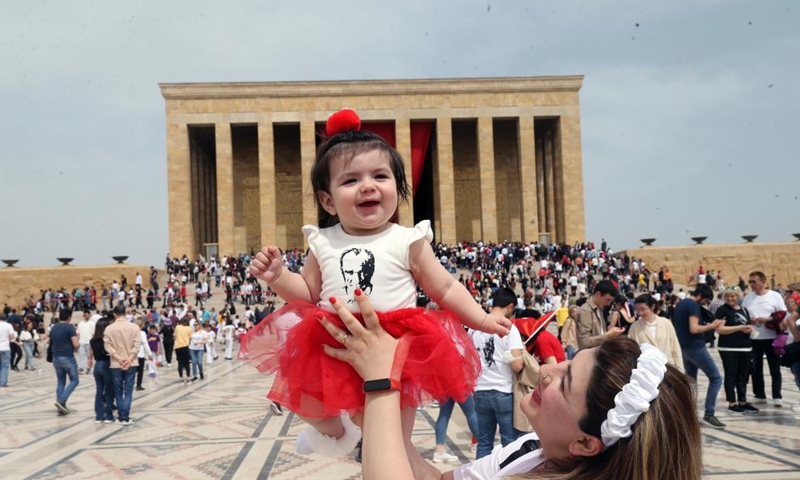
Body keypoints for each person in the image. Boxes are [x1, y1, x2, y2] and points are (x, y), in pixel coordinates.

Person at [240, 108, 507, 456]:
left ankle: (396, 464)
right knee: (307, 404)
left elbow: (445, 288)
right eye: (350, 181)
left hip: (395, 344)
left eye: (380, 176)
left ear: (398, 188)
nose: (367, 185)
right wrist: (277, 277)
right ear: (328, 201)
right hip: (334, 340)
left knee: (392, 437)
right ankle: (337, 434)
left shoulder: (407, 239)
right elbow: (307, 292)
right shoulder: (323, 241)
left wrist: (483, 319)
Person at [319, 292, 703, 480]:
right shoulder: (533, 449)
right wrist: (378, 419)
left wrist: (381, 385)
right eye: (569, 361)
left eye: (566, 383)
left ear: (585, 444)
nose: (549, 371)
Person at [470, 288, 524, 459]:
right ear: (510, 306)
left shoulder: (474, 329)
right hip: (502, 390)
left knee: (484, 442)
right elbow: (517, 365)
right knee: (509, 444)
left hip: (480, 390)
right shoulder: (509, 328)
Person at [673, 284, 725, 428]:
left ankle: (688, 416)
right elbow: (694, 328)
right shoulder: (693, 306)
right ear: (700, 296)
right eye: (706, 300)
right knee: (716, 378)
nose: (705, 304)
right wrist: (712, 326)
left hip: (684, 348)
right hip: (695, 347)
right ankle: (709, 413)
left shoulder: (680, 304)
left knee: (691, 383)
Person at [742, 271, 786, 406]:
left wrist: (768, 319)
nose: (751, 285)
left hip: (771, 337)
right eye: (750, 282)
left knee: (774, 368)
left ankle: (777, 396)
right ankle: (760, 394)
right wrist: (751, 320)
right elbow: (743, 315)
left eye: (754, 281)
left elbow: (783, 313)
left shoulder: (774, 296)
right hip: (754, 337)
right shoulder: (748, 298)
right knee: (756, 368)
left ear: (763, 281)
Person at [714, 286, 759, 414]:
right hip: (728, 347)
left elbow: (747, 324)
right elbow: (720, 329)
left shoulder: (744, 310)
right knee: (731, 375)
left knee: (743, 375)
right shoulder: (722, 310)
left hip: (745, 347)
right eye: (728, 296)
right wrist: (738, 328)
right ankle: (732, 402)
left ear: (738, 297)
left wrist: (749, 328)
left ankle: (743, 401)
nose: (730, 298)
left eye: (733, 296)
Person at [104, 304, 141, 425]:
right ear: (125, 313)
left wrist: (119, 358)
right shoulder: (134, 327)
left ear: (114, 314)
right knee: (128, 390)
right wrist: (129, 358)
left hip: (116, 363)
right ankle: (125, 416)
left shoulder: (109, 329)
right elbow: (137, 345)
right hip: (131, 362)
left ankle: (121, 415)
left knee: (118, 390)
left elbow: (107, 346)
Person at [628, 294, 683, 371]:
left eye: (643, 309)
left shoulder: (666, 323)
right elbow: (631, 351)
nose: (640, 313)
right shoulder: (635, 327)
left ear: (652, 307)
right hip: (647, 370)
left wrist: (680, 369)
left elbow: (675, 347)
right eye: (637, 309)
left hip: (668, 368)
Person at [575, 280, 623, 349]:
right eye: (607, 300)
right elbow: (584, 342)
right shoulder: (585, 310)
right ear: (598, 294)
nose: (608, 304)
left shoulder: (600, 309)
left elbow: (600, 333)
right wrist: (608, 335)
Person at [87, 318, 115, 424]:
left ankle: (99, 416)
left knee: (99, 391)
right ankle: (108, 415)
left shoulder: (92, 340)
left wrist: (89, 360)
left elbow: (91, 353)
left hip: (97, 365)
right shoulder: (107, 340)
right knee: (108, 391)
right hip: (107, 364)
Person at [174, 317, 192, 383]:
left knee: (180, 363)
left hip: (177, 347)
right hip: (185, 346)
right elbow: (190, 338)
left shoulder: (177, 327)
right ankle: (188, 377)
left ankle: (181, 378)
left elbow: (174, 336)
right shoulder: (189, 328)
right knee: (187, 363)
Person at [0, 314, 15, 388]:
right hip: (5, 347)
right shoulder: (8, 325)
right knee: (5, 366)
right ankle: (3, 383)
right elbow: (12, 337)